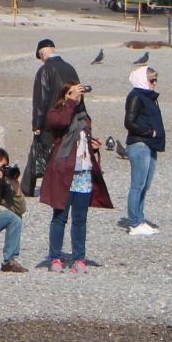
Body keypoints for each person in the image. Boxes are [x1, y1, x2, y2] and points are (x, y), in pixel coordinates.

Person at [39, 81, 112, 271]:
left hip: (83, 172)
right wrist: (69, 102)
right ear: (64, 95)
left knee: (80, 218)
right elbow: (61, 124)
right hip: (64, 172)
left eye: (79, 95)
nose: (77, 98)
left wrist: (93, 146)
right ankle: (55, 256)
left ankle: (79, 257)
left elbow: (82, 141)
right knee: (60, 217)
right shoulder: (55, 113)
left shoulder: (84, 117)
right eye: (72, 93)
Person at [26, 39, 80, 196]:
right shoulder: (70, 68)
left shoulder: (44, 71)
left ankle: (28, 188)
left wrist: (37, 125)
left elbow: (41, 100)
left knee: (39, 152)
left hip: (51, 119)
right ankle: (62, 185)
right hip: (70, 116)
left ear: (42, 53)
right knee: (64, 152)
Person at [123, 65, 165, 235]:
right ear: (143, 79)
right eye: (151, 80)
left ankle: (140, 218)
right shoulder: (135, 96)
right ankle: (134, 223)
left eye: (156, 80)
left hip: (151, 145)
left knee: (145, 185)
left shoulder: (150, 97)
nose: (154, 83)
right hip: (139, 144)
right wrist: (149, 132)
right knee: (137, 185)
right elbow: (129, 122)